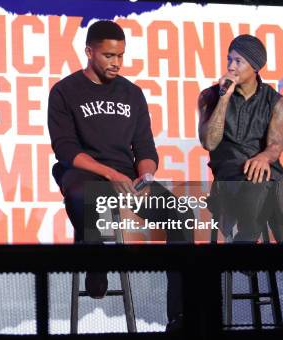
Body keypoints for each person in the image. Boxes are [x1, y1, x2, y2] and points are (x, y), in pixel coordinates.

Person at [47, 20, 192, 330]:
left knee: (182, 216)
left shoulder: (132, 94)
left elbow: (146, 148)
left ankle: (180, 317)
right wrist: (109, 173)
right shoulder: (65, 91)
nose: (115, 63)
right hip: (85, 172)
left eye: (120, 56)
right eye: (108, 56)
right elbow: (66, 150)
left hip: (127, 178)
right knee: (80, 196)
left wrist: (146, 178)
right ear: (89, 52)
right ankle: (95, 260)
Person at [198, 34, 283, 326]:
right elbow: (209, 143)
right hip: (228, 184)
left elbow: (276, 146)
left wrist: (264, 157)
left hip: (267, 178)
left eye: (237, 60)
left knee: (275, 188)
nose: (230, 65)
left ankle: (244, 242)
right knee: (276, 193)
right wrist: (225, 98)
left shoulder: (276, 102)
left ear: (255, 66)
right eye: (229, 59)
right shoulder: (210, 96)